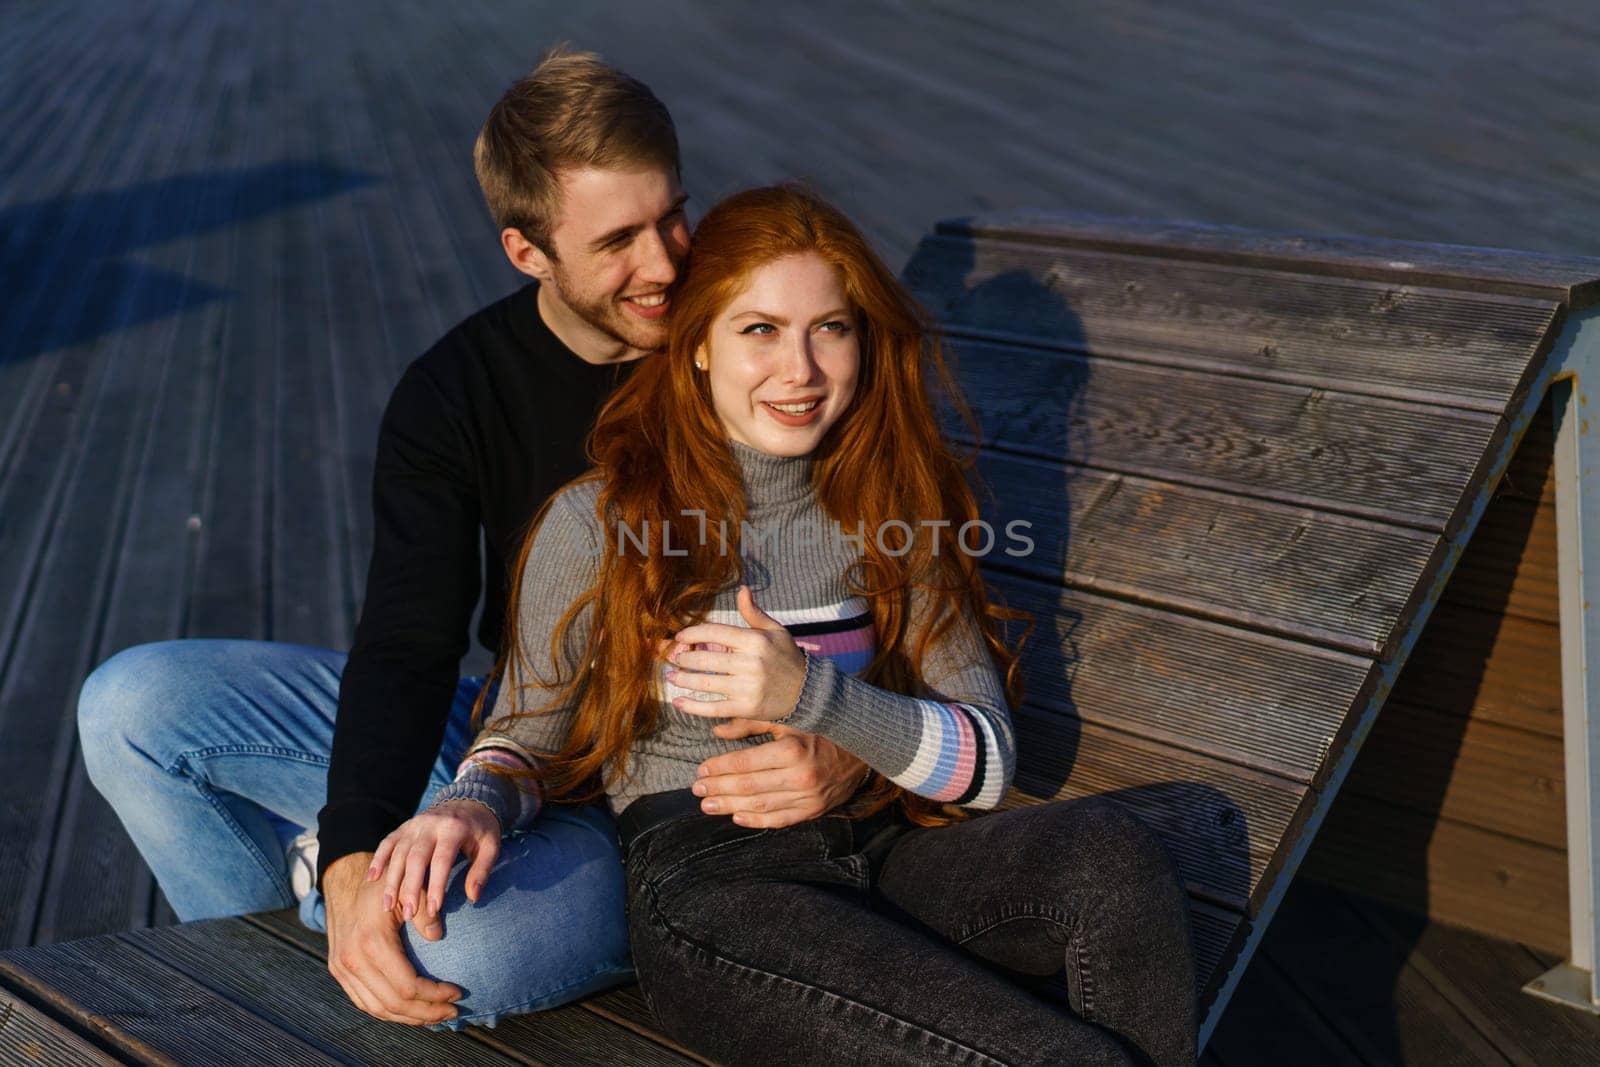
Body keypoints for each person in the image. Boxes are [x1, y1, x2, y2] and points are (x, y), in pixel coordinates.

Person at [74, 50, 867, 1029]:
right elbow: (409, 636)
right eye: (618, 238)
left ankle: (335, 951)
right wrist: (359, 853)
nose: (666, 263)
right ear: (526, 251)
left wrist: (853, 747)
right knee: (132, 707)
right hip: (510, 739)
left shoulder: (763, 348)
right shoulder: (455, 390)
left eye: (673, 214)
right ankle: (323, 948)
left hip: (663, 803)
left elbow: (886, 577)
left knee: (441, 947)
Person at [373, 185, 1199, 1065]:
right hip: (716, 888)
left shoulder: (895, 512)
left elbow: (988, 759)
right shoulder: (600, 519)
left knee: (1115, 861)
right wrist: (469, 801)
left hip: (888, 854)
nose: (800, 369)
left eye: (830, 328)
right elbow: (523, 736)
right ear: (696, 345)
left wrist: (818, 700)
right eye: (760, 329)